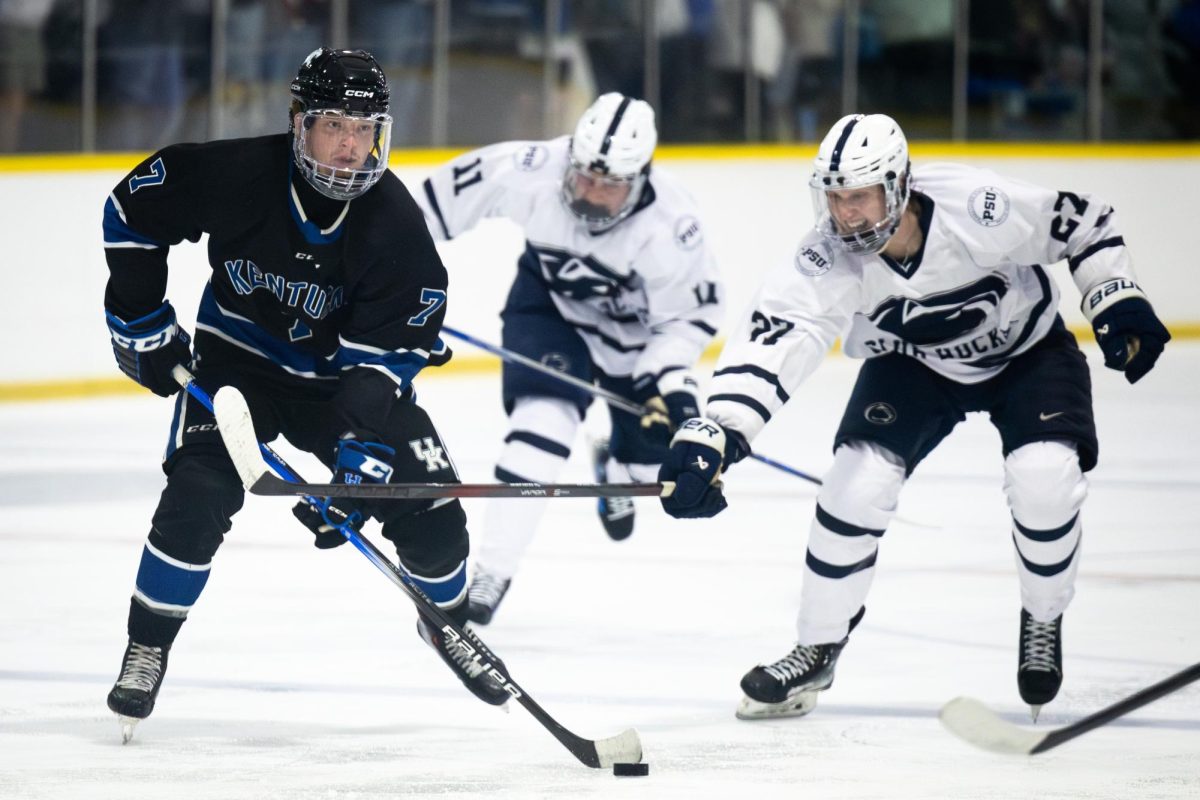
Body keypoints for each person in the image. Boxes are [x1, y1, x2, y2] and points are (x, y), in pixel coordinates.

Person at [659, 113, 1171, 721]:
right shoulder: (825, 257)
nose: (846, 214)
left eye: (860, 197)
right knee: (853, 485)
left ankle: (1043, 613)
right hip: (916, 365)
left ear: (899, 186)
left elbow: (1083, 223)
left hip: (1028, 354)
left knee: (1045, 480)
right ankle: (817, 647)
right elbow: (777, 340)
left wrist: (1114, 293)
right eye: (836, 198)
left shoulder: (977, 206)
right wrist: (716, 431)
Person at [101, 47, 510, 740]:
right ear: (298, 123)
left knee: (433, 515)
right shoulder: (235, 174)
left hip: (336, 387)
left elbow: (379, 368)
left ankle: (448, 625)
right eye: (333, 127)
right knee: (196, 498)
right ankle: (149, 645)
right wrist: (138, 320)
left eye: (365, 129)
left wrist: (358, 454)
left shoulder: (397, 231)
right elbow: (128, 213)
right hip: (238, 369)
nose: (351, 148)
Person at [416, 92, 724, 625]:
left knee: (651, 467)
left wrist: (670, 391)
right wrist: (377, 265)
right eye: (583, 176)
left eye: (610, 185)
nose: (589, 193)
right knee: (543, 424)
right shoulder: (531, 168)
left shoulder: (674, 228)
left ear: (642, 178)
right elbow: (429, 207)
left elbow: (686, 322)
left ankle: (618, 464)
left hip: (637, 339)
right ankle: (491, 571)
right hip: (549, 310)